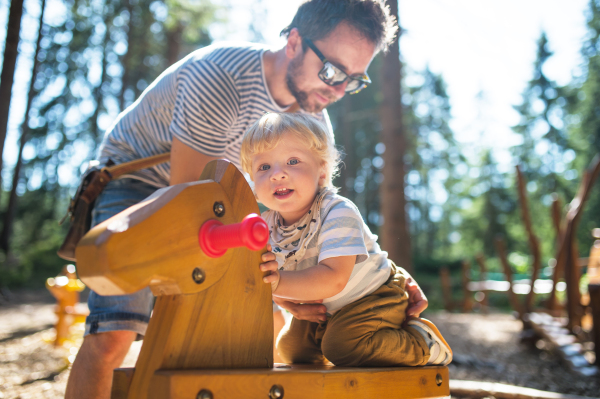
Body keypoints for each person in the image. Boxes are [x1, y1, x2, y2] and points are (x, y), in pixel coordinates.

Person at [65, 1, 427, 398]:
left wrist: (381, 278)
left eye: (354, 80)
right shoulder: (219, 79)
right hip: (141, 185)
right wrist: (278, 290)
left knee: (260, 325)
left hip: (219, 205)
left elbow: (317, 217)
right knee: (116, 333)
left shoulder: (311, 118)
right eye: (332, 71)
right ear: (293, 43)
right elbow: (190, 208)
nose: (338, 90)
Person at [241, 112, 452, 367]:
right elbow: (265, 279)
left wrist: (278, 283)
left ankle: (421, 344)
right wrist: (278, 292)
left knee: (342, 345)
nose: (277, 174)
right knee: (291, 350)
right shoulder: (266, 225)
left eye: (293, 161)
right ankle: (337, 365)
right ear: (252, 179)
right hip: (328, 308)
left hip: (373, 295)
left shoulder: (336, 211)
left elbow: (334, 278)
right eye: (264, 167)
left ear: (321, 171)